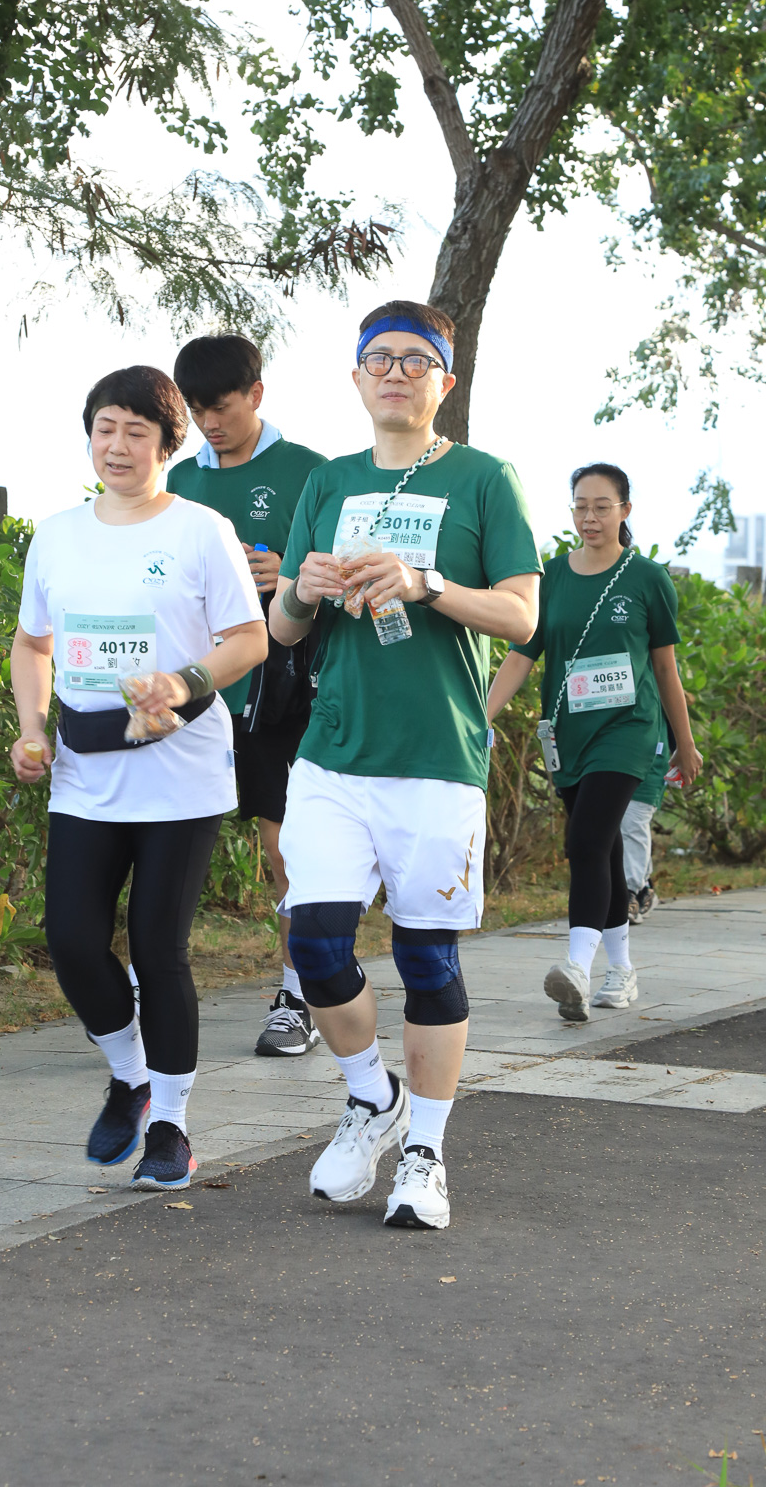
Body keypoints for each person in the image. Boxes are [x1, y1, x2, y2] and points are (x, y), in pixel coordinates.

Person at [270, 300, 541, 1231]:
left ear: (444, 382)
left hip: (436, 758)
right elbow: (283, 629)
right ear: (356, 377)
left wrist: (428, 584)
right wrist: (301, 592)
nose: (395, 372)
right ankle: (368, 1096)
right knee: (314, 942)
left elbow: (522, 615)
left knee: (426, 958)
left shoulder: (483, 478)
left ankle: (424, 1152)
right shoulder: (328, 480)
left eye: (414, 360)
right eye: (378, 359)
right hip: (334, 753)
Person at [9, 365, 266, 1190]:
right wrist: (32, 728)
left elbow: (249, 638)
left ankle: (171, 1126)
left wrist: (183, 683)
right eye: (105, 428)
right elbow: (33, 644)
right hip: (86, 770)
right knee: (72, 941)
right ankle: (130, 1076)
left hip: (181, 775)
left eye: (136, 431)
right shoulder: (57, 536)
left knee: (159, 950)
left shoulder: (201, 531)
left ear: (166, 444)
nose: (116, 446)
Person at [488, 464, 702, 1022]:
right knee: (601, 851)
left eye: (602, 506)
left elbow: (665, 668)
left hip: (628, 731)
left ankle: (577, 968)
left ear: (625, 510)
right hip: (568, 735)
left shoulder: (647, 578)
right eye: (580, 506)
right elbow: (521, 656)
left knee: (585, 841)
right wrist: (479, 718)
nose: (590, 517)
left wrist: (685, 742)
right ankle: (622, 969)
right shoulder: (551, 578)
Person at [168, 333, 326, 1059]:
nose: (210, 424)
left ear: (256, 395)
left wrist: (287, 573)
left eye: (222, 408)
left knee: (283, 846)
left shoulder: (311, 472)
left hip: (279, 693)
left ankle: (300, 995)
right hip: (192, 693)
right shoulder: (180, 479)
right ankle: (149, 986)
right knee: (163, 843)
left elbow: (342, 569)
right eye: (197, 411)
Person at [623, 719, 668, 923]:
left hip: (649, 758)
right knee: (616, 826)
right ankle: (644, 888)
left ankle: (629, 894)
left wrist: (684, 748)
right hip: (607, 753)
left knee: (632, 822)